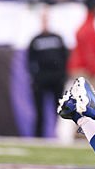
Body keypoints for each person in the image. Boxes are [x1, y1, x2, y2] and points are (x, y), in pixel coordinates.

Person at [26, 9, 69, 138]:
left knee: (59, 110)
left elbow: (64, 57)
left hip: (56, 80)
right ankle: (38, 137)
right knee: (39, 112)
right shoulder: (35, 40)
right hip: (41, 80)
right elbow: (30, 61)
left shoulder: (57, 38)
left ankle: (59, 136)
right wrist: (35, 77)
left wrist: (62, 76)